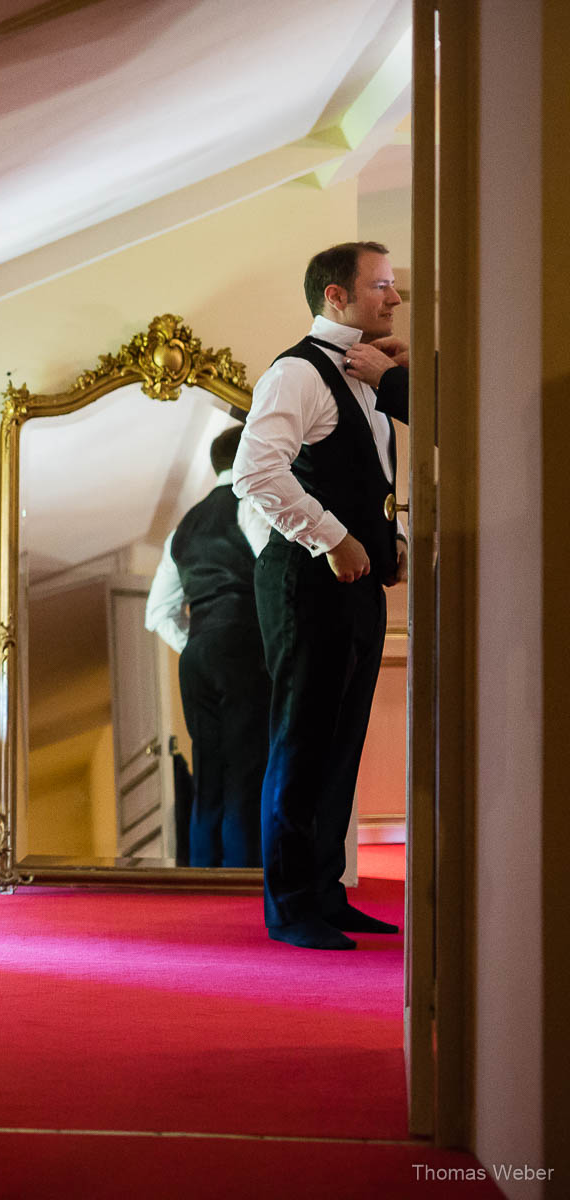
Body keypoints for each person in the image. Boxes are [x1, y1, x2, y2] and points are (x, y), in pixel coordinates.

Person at [234, 240, 409, 950]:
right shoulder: (295, 373)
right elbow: (256, 472)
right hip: (307, 580)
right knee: (301, 741)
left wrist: (381, 540)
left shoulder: (371, 372)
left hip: (360, 585)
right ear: (335, 297)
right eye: (381, 286)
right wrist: (335, 538)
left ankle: (325, 889)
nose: (393, 299)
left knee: (341, 742)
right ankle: (290, 906)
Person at [144, 424, 271, 868]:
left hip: (197, 655)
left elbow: (157, 613)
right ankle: (240, 883)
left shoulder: (182, 527)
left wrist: (200, 642)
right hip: (244, 647)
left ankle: (200, 878)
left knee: (210, 771)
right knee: (244, 771)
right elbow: (271, 578)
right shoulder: (253, 503)